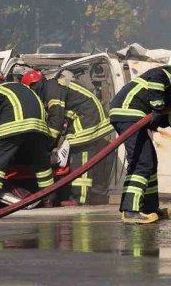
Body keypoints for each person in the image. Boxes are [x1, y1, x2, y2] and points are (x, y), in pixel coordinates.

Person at [108, 50, 171, 224]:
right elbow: (156, 82)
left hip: (130, 114)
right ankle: (131, 210)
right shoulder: (170, 73)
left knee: (149, 161)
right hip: (129, 112)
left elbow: (163, 117)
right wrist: (157, 109)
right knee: (142, 162)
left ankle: (149, 207)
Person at [22, 69, 114, 206]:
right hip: (88, 118)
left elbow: (56, 118)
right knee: (89, 160)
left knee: (81, 158)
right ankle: (96, 196)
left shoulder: (51, 90)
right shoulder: (52, 87)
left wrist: (48, 144)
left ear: (33, 85)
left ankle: (79, 199)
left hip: (87, 120)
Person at [0, 73, 55, 210]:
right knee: (41, 163)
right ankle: (48, 199)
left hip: (14, 125)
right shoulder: (23, 87)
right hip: (39, 126)